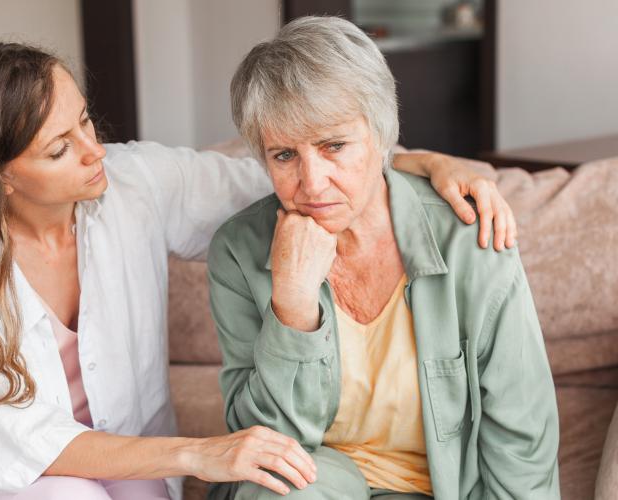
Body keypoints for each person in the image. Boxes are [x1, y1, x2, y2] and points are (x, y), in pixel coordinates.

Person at [0, 42, 517, 500]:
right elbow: (16, 441)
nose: (95, 153)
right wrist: (199, 453)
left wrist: (423, 162)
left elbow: (289, 176)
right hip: (2, 474)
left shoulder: (129, 184)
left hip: (129, 453)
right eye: (60, 148)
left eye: (86, 121)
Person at [207, 16, 559, 500]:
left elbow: (521, 427)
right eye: (284, 155)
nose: (312, 184)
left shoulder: (469, 236)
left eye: (334, 146)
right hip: (313, 478)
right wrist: (292, 305)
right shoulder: (238, 251)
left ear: (382, 135)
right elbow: (264, 444)